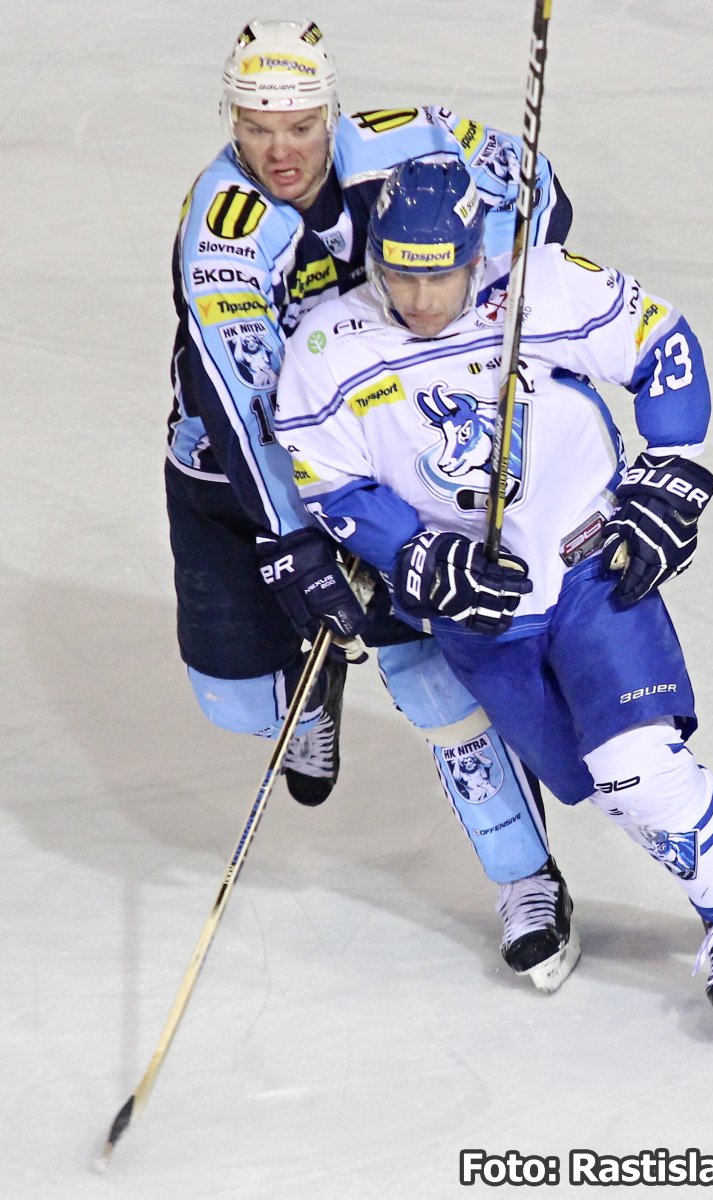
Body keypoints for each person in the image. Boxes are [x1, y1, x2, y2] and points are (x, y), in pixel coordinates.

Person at [274, 158, 713, 1035]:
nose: (420, 299)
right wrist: (414, 554)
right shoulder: (328, 347)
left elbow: (663, 344)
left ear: (475, 255)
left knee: (636, 768)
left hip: (592, 569)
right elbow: (329, 482)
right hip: (478, 610)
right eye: (399, 274)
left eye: (439, 275)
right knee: (606, 787)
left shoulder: (542, 287)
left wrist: (670, 472)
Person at [165, 18, 580, 992]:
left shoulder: (408, 143)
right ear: (229, 119)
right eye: (255, 127)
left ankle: (526, 879)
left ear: (332, 112)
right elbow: (239, 401)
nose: (279, 151)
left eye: (300, 126)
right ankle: (309, 688)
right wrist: (295, 540)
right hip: (236, 476)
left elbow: (537, 189)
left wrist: (481, 310)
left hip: (383, 464)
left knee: (433, 684)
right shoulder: (225, 229)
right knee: (237, 702)